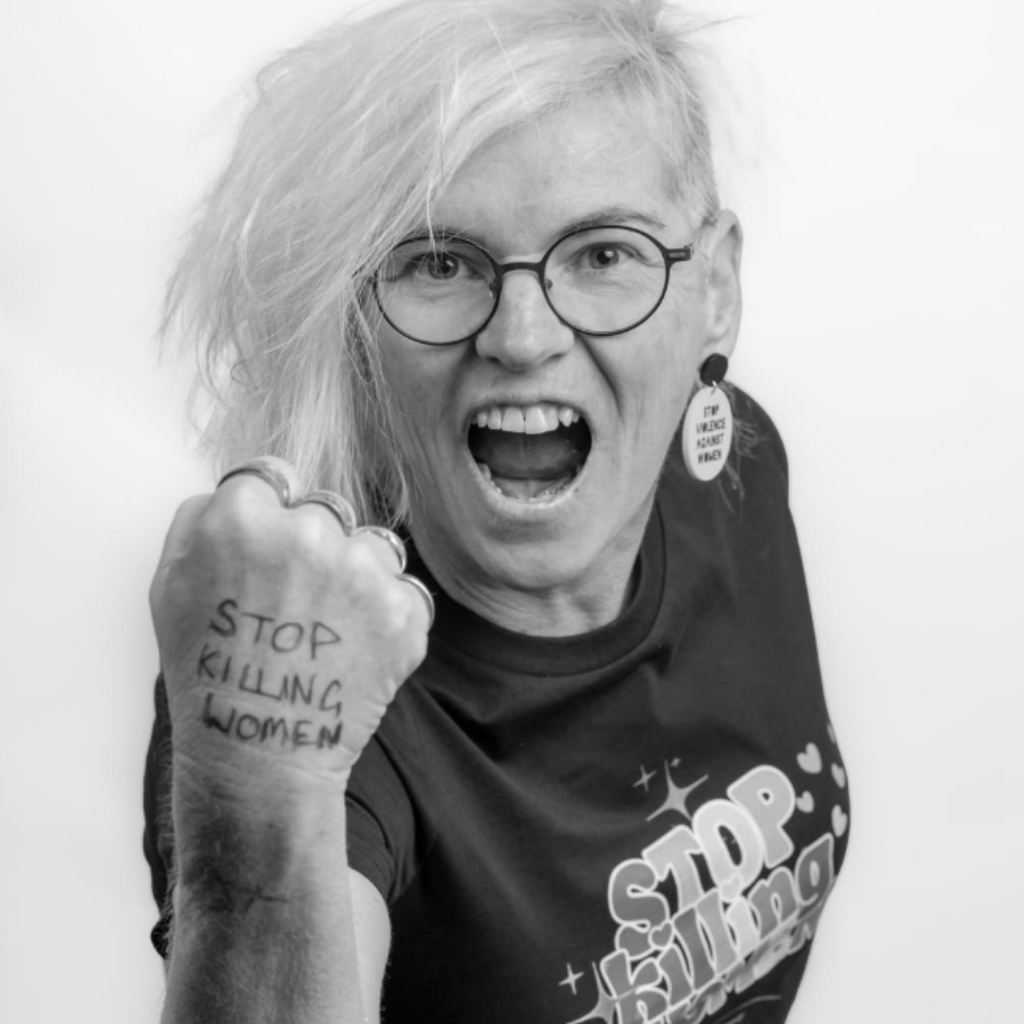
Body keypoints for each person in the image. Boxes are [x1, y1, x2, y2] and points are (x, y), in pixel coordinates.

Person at [143, 1, 851, 1021]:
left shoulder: (731, 468)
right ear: (355, 326)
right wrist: (262, 807)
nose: (521, 337)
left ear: (716, 290)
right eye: (439, 262)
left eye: (602, 253)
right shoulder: (302, 682)